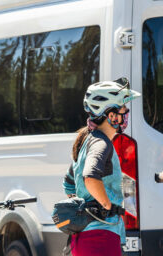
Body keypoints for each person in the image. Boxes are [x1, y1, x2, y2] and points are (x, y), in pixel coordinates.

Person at [62, 78, 140, 256]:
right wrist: (105, 205)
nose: (126, 114)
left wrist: (85, 208)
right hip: (100, 237)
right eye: (123, 110)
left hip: (86, 236)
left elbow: (68, 184)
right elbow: (90, 177)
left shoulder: (87, 140)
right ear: (111, 115)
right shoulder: (101, 143)